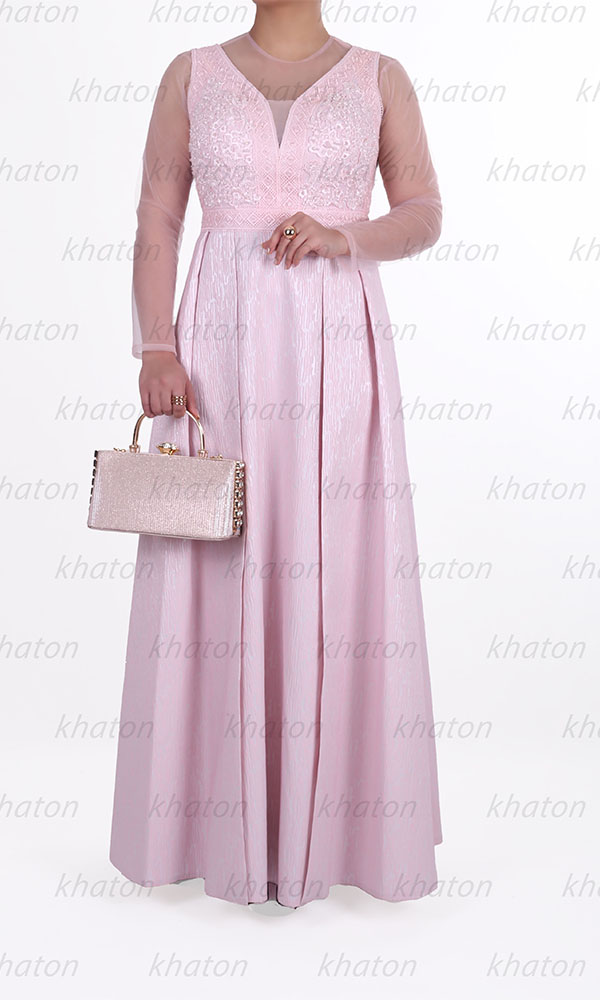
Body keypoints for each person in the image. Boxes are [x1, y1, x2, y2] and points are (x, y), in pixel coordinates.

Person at [110, 0, 443, 915]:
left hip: (339, 351)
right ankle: (204, 829)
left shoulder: (380, 76)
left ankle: (337, 832)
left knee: (339, 564)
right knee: (214, 559)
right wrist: (155, 346)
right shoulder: (190, 72)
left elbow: (424, 212)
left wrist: (348, 235)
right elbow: (157, 216)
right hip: (216, 353)